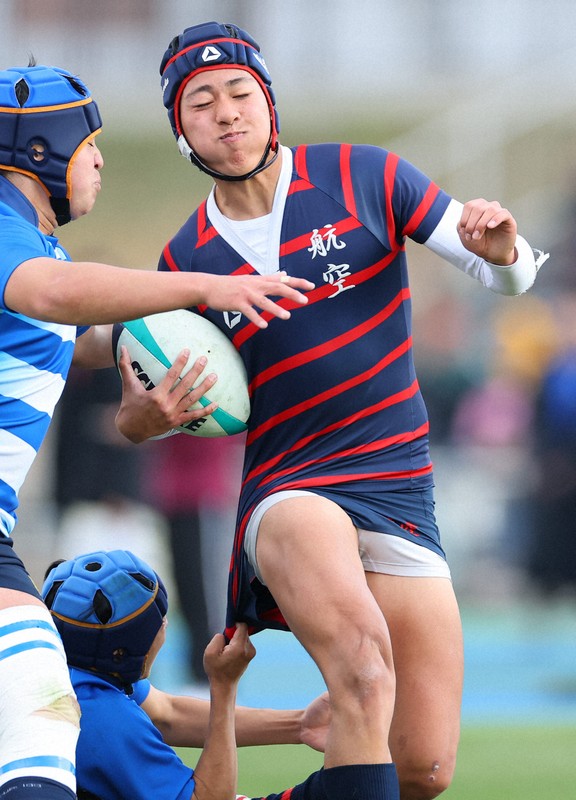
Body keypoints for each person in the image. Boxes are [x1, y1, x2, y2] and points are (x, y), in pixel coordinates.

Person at [114, 21, 549, 800]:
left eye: (240, 93)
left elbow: (502, 275)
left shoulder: (366, 176)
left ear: (269, 101)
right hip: (291, 489)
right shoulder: (184, 261)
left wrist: (505, 249)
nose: (226, 113)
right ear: (181, 128)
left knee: (424, 769)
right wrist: (153, 416)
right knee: (360, 661)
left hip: (399, 486)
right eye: (201, 103)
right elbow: (132, 418)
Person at [0, 60, 314, 800]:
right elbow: (50, 296)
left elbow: (73, 336)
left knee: (37, 712)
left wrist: (184, 344)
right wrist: (204, 287)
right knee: (41, 709)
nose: (101, 161)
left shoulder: (38, 250)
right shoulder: (13, 241)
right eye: (90, 145)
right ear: (42, 148)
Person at [41, 548, 332, 800]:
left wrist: (300, 725)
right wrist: (224, 685)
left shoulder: (67, 668)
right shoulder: (102, 715)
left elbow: (167, 713)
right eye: (160, 621)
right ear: (122, 653)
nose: (165, 625)